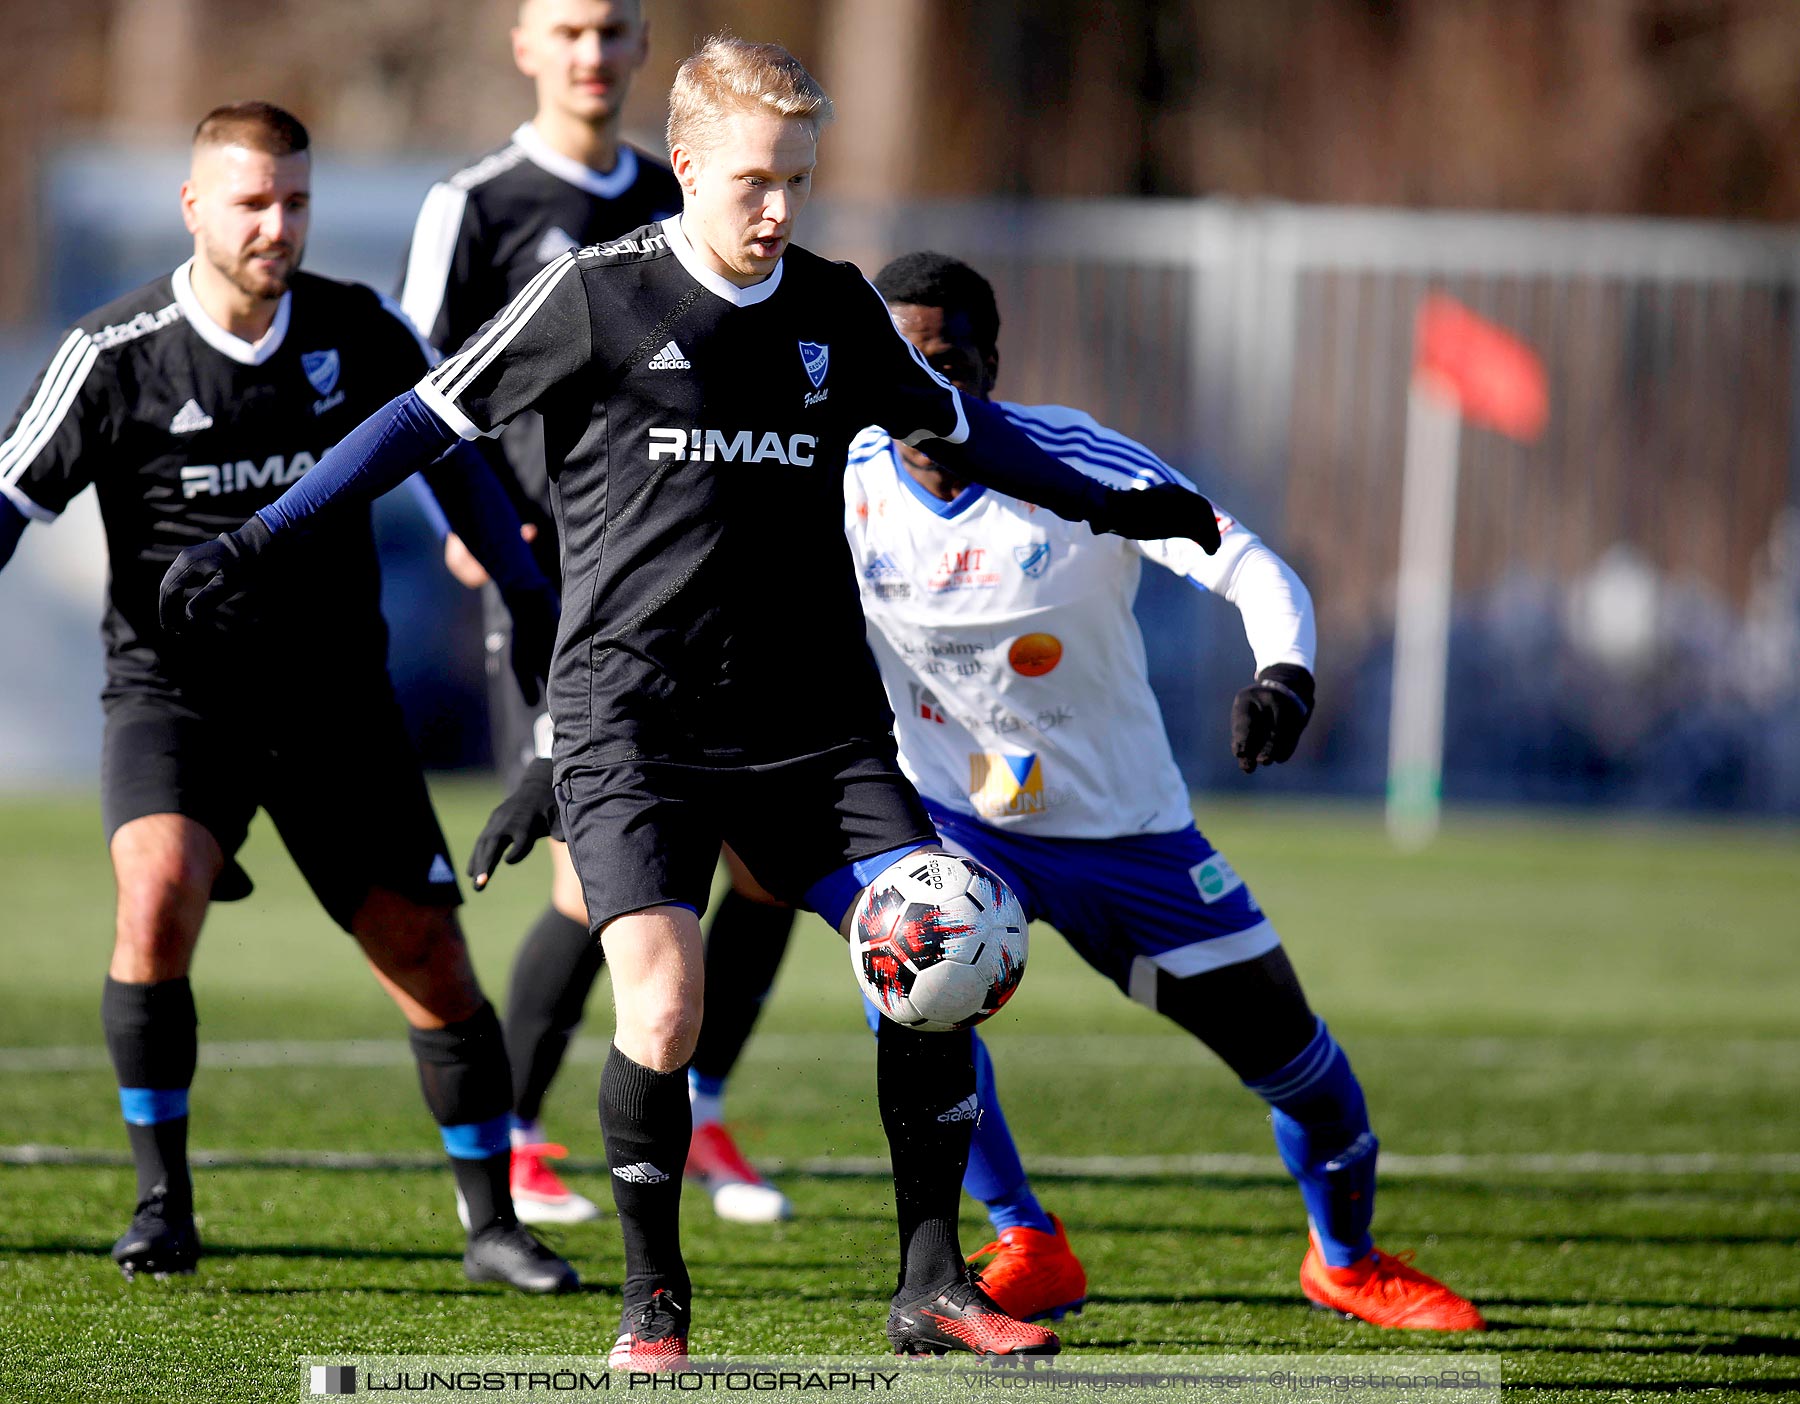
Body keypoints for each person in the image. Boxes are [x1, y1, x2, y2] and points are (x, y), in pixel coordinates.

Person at [159, 40, 1221, 1362]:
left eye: (801, 182)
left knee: (940, 954)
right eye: (757, 183)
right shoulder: (598, 296)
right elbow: (417, 421)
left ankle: (934, 1286)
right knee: (663, 1004)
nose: (780, 210)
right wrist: (263, 534)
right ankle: (653, 1295)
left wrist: (1122, 505)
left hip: (814, 726)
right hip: (631, 723)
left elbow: (968, 430)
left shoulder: (834, 307)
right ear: (696, 170)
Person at [837, 251, 1486, 1332]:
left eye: (940, 360)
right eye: (894, 362)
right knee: (901, 983)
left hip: (1127, 834)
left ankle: (1347, 1259)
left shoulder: (1070, 458)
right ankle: (1026, 1240)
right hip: (956, 822)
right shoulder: (842, 481)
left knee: (1299, 1066)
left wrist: (1284, 672)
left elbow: (1246, 563)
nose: (915, 387)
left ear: (988, 366)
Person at [0, 102, 576, 1295]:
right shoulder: (114, 354)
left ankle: (490, 1224)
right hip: (175, 700)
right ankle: (162, 1203)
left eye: (297, 202)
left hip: (336, 707)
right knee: (154, 893)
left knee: (429, 958)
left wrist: (529, 597)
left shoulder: (362, 333)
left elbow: (456, 461)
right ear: (195, 207)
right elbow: (9, 502)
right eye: (253, 201)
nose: (278, 225)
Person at [398, 0, 791, 1227]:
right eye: (568, 29)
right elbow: (420, 389)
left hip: (693, 583)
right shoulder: (478, 203)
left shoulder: (683, 193)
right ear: (524, 44)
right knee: (589, 878)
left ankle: (701, 1103)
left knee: (761, 866)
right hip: (550, 577)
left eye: (616, 30)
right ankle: (515, 1134)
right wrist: (466, 531)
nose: (593, 52)